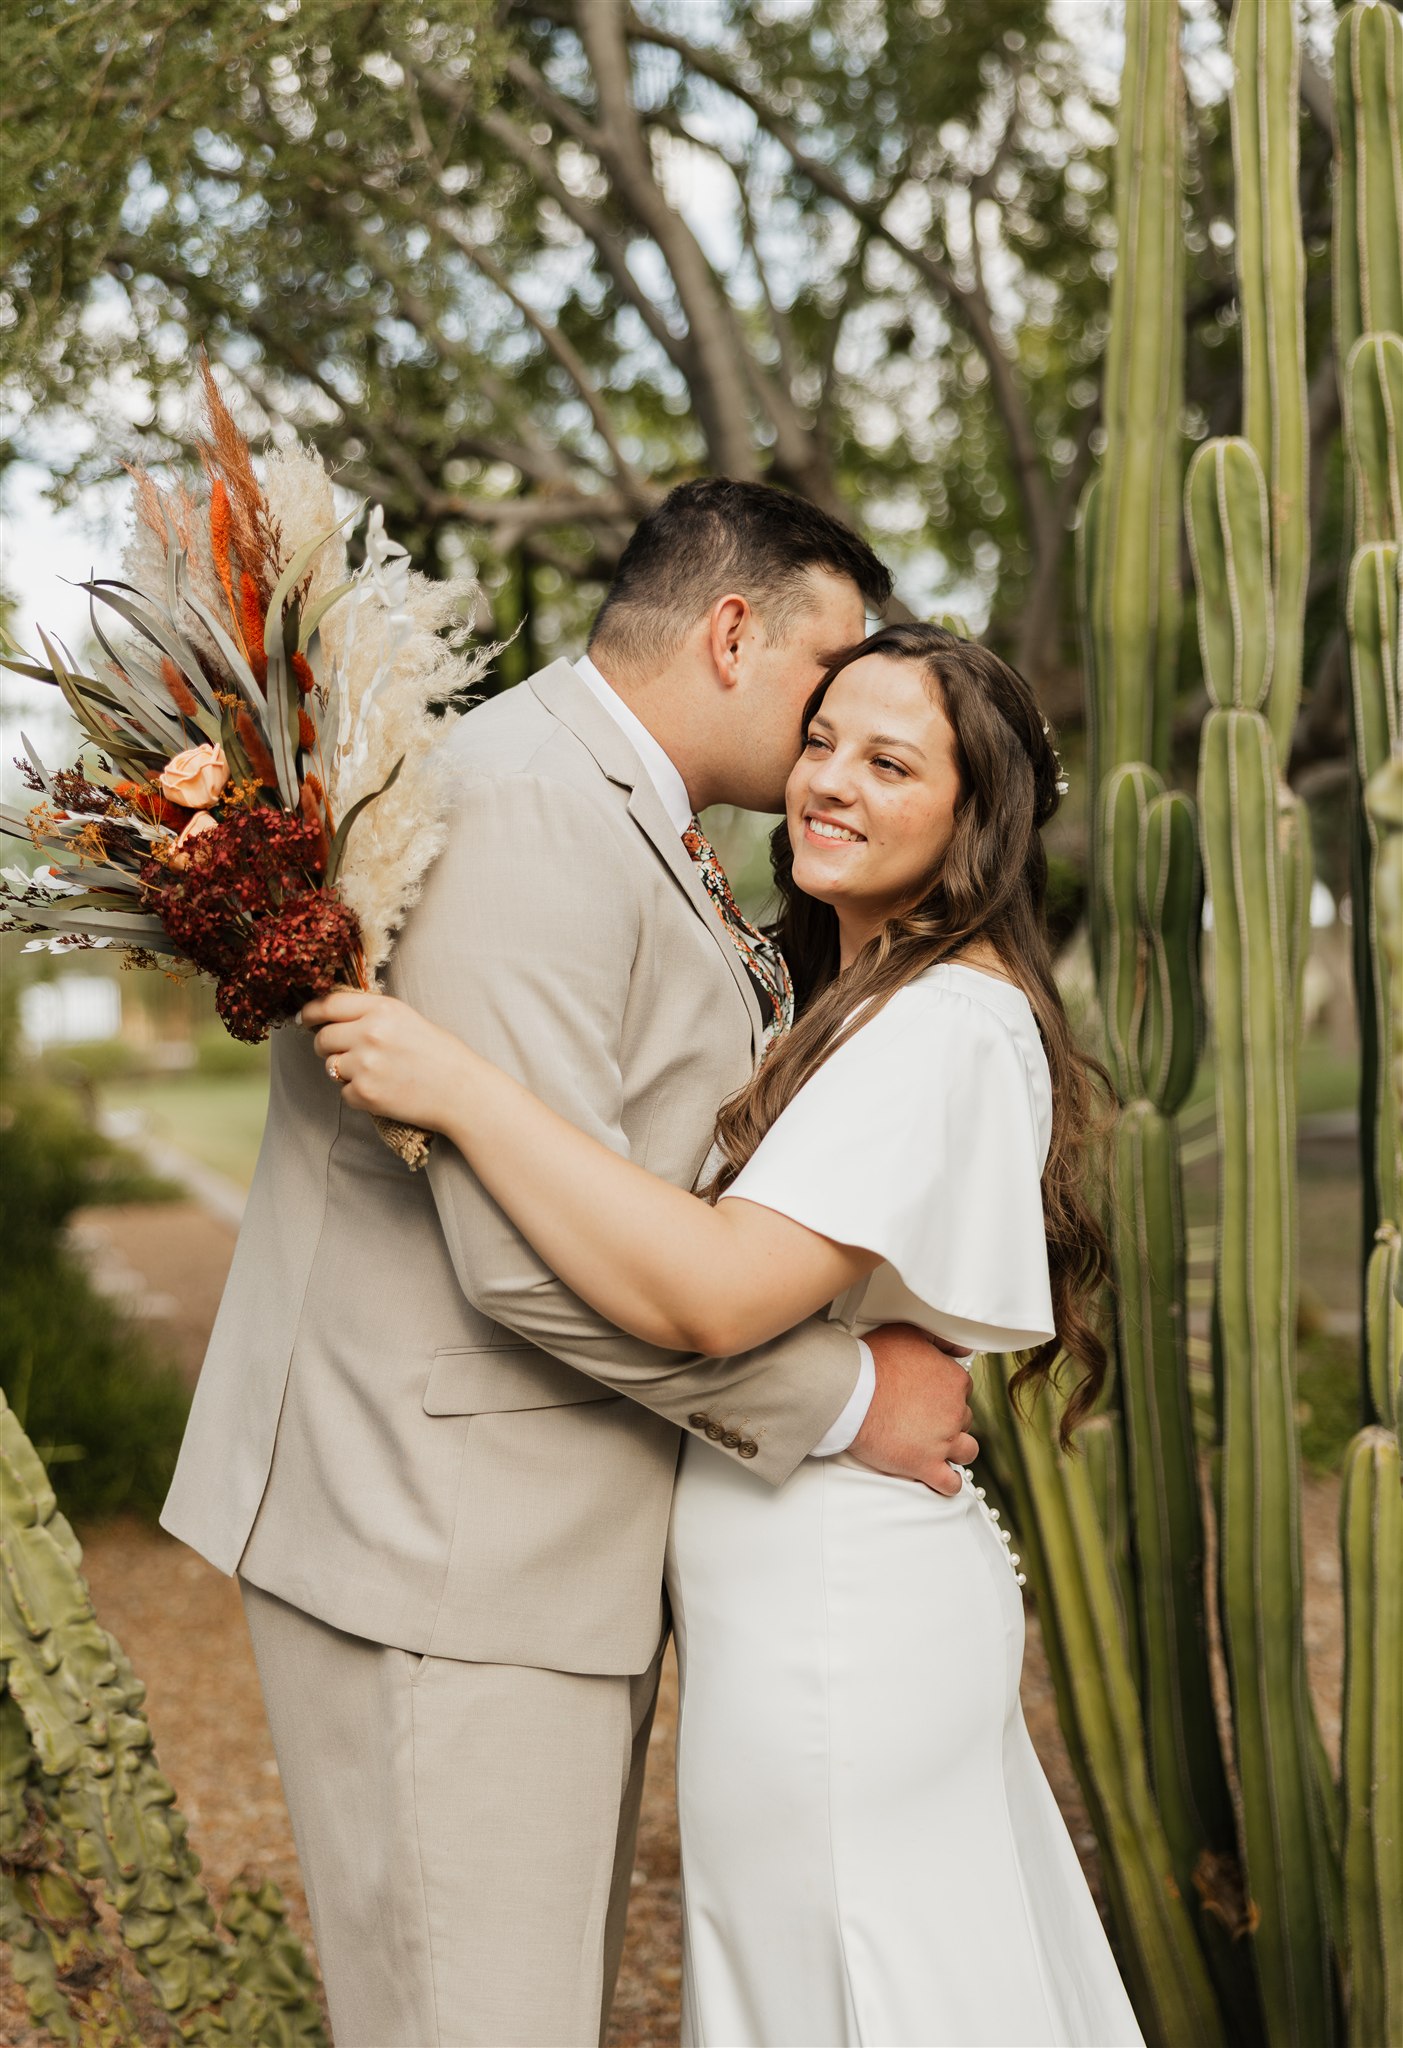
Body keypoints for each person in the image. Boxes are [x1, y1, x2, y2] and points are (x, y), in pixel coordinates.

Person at [160, 483, 981, 2047]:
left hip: (524, 1552)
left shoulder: (613, 799)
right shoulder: (530, 806)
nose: (836, 733)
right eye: (830, 684)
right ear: (736, 634)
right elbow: (523, 1258)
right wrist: (840, 1396)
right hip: (440, 1550)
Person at [304, 622, 1147, 2048]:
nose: (829, 780)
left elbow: (715, 1290)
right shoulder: (859, 1004)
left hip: (846, 1621)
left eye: (890, 762)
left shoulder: (941, 1023)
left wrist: (461, 1086)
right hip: (809, 1605)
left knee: (862, 2002)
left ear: (976, 820)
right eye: (823, 741)